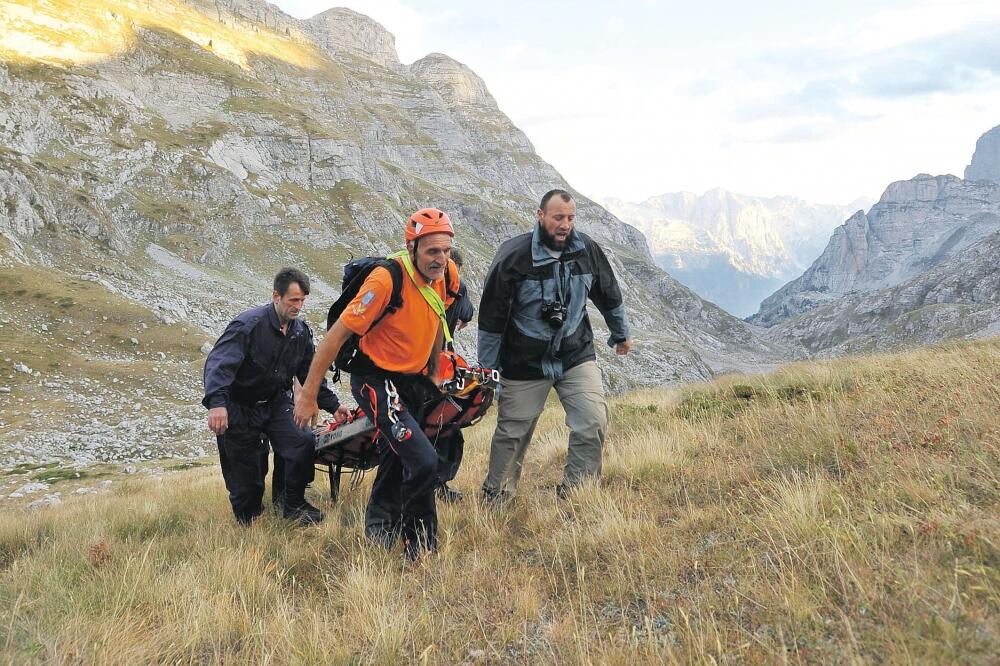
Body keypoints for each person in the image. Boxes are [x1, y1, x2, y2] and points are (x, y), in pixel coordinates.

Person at [294, 208, 460, 560]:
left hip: (413, 380)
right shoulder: (385, 281)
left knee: (397, 454)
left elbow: (436, 313)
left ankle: (379, 526)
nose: (441, 259)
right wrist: (308, 395)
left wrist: (433, 369)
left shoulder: (446, 275)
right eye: (432, 251)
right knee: (425, 461)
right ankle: (420, 546)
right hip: (375, 379)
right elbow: (334, 337)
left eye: (445, 251)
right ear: (412, 247)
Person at [477, 189, 631, 501]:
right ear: (541, 216)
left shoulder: (587, 250)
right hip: (524, 363)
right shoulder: (514, 257)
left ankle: (578, 493)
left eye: (570, 218)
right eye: (558, 217)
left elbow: (608, 293)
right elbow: (491, 321)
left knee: (592, 420)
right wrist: (488, 374)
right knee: (512, 433)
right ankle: (497, 498)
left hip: (575, 354)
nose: (565, 224)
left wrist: (620, 333)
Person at [203, 268, 350, 526]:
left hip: (276, 402)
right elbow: (218, 365)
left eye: (302, 300)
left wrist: (334, 406)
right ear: (276, 296)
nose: (299, 306)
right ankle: (248, 518)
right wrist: (217, 404)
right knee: (248, 481)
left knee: (301, 441)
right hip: (240, 407)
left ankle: (291, 504)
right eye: (294, 300)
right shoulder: (247, 326)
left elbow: (310, 374)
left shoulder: (301, 332)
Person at [435, 248, 474, 502]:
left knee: (443, 427)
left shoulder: (455, 290)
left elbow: (468, 313)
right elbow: (468, 313)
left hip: (437, 366)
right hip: (432, 367)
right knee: (441, 426)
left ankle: (436, 484)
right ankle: (435, 483)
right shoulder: (456, 291)